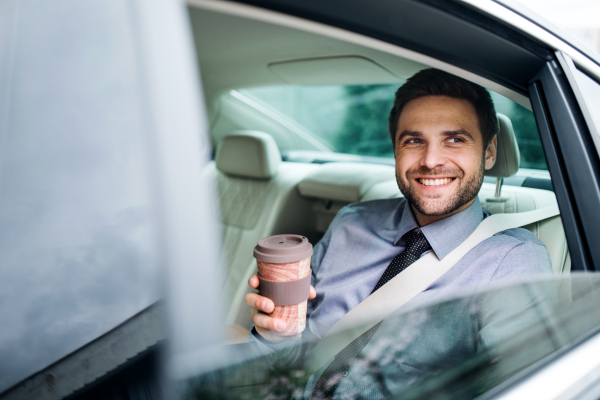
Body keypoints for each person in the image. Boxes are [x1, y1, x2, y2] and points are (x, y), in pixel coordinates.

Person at [244, 68, 553, 397]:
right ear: (395, 149)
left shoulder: (513, 262)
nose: (431, 160)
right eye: (414, 141)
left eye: (455, 139)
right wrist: (275, 336)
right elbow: (294, 362)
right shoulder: (352, 224)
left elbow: (523, 388)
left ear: (489, 152)